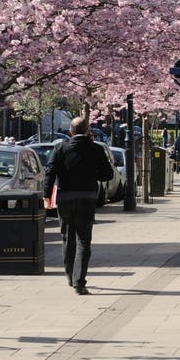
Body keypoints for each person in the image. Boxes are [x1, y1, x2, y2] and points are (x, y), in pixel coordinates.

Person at [43, 116, 113, 295]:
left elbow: (50, 172)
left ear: (71, 132)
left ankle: (69, 275)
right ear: (87, 131)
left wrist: (46, 196)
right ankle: (79, 282)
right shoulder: (96, 149)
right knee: (84, 240)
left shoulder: (60, 148)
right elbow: (107, 175)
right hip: (87, 198)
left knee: (67, 237)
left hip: (65, 198)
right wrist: (92, 173)